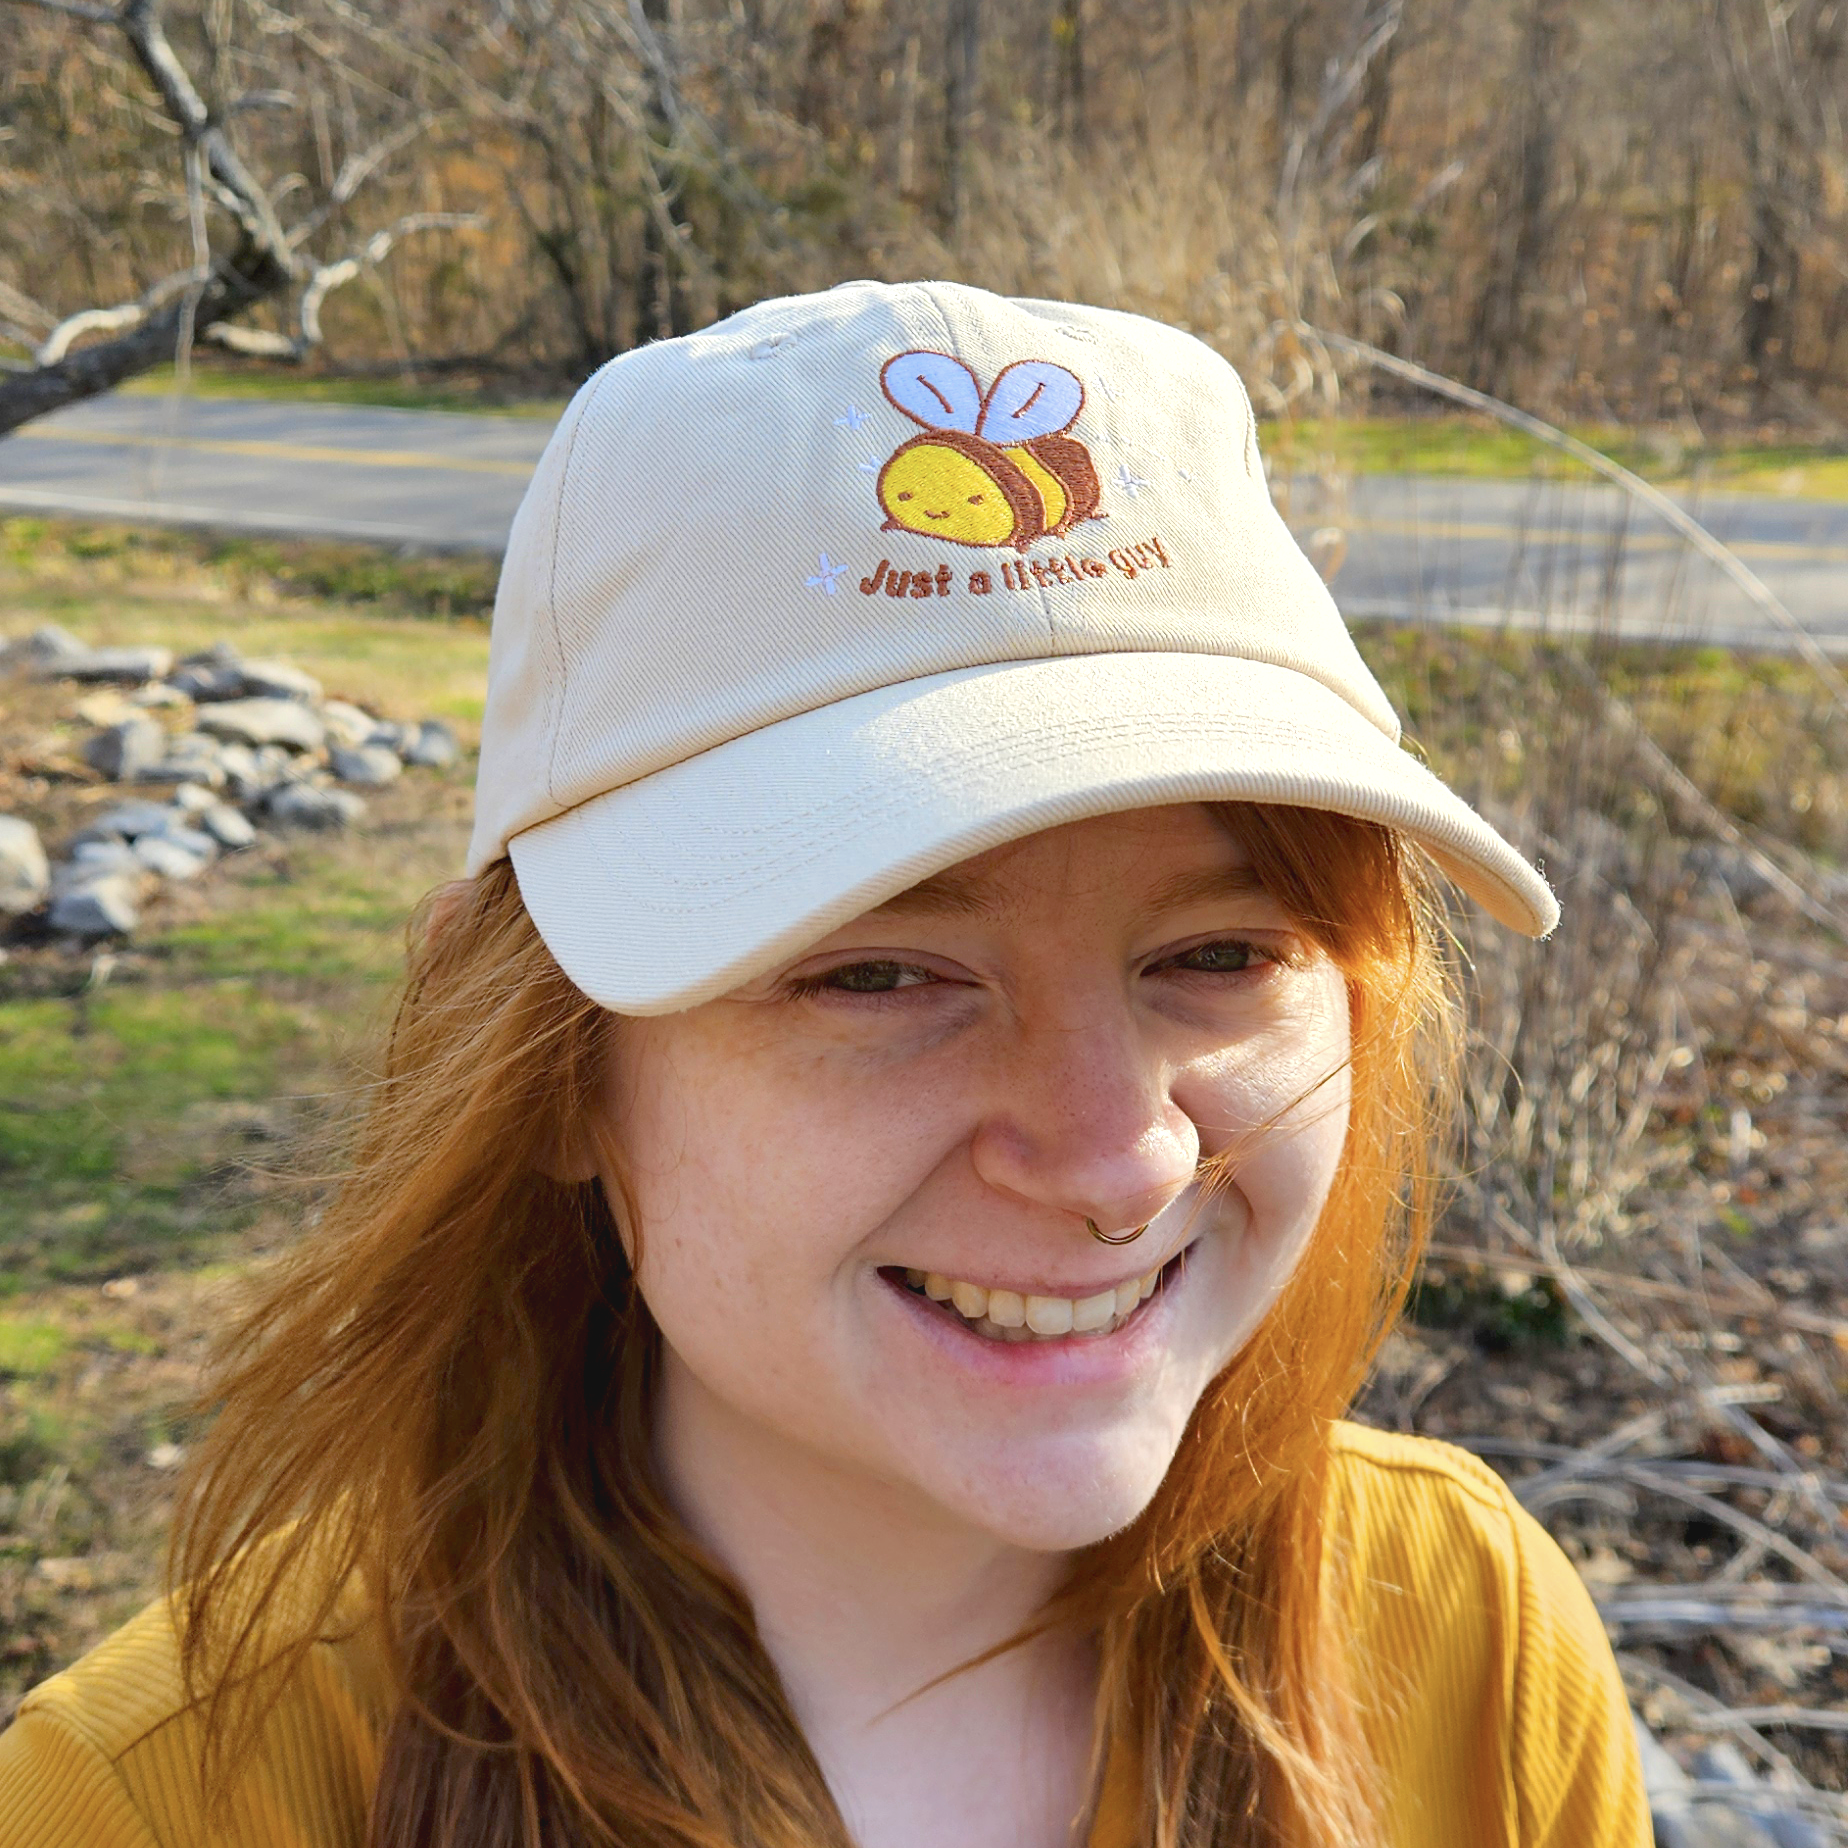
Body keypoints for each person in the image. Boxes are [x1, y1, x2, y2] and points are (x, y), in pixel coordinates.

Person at [0, 281, 1647, 1848]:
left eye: (1217, 956)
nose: (1115, 1157)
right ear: (555, 1065)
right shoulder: (163, 1798)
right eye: (876, 974)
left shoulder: (1464, 1641)